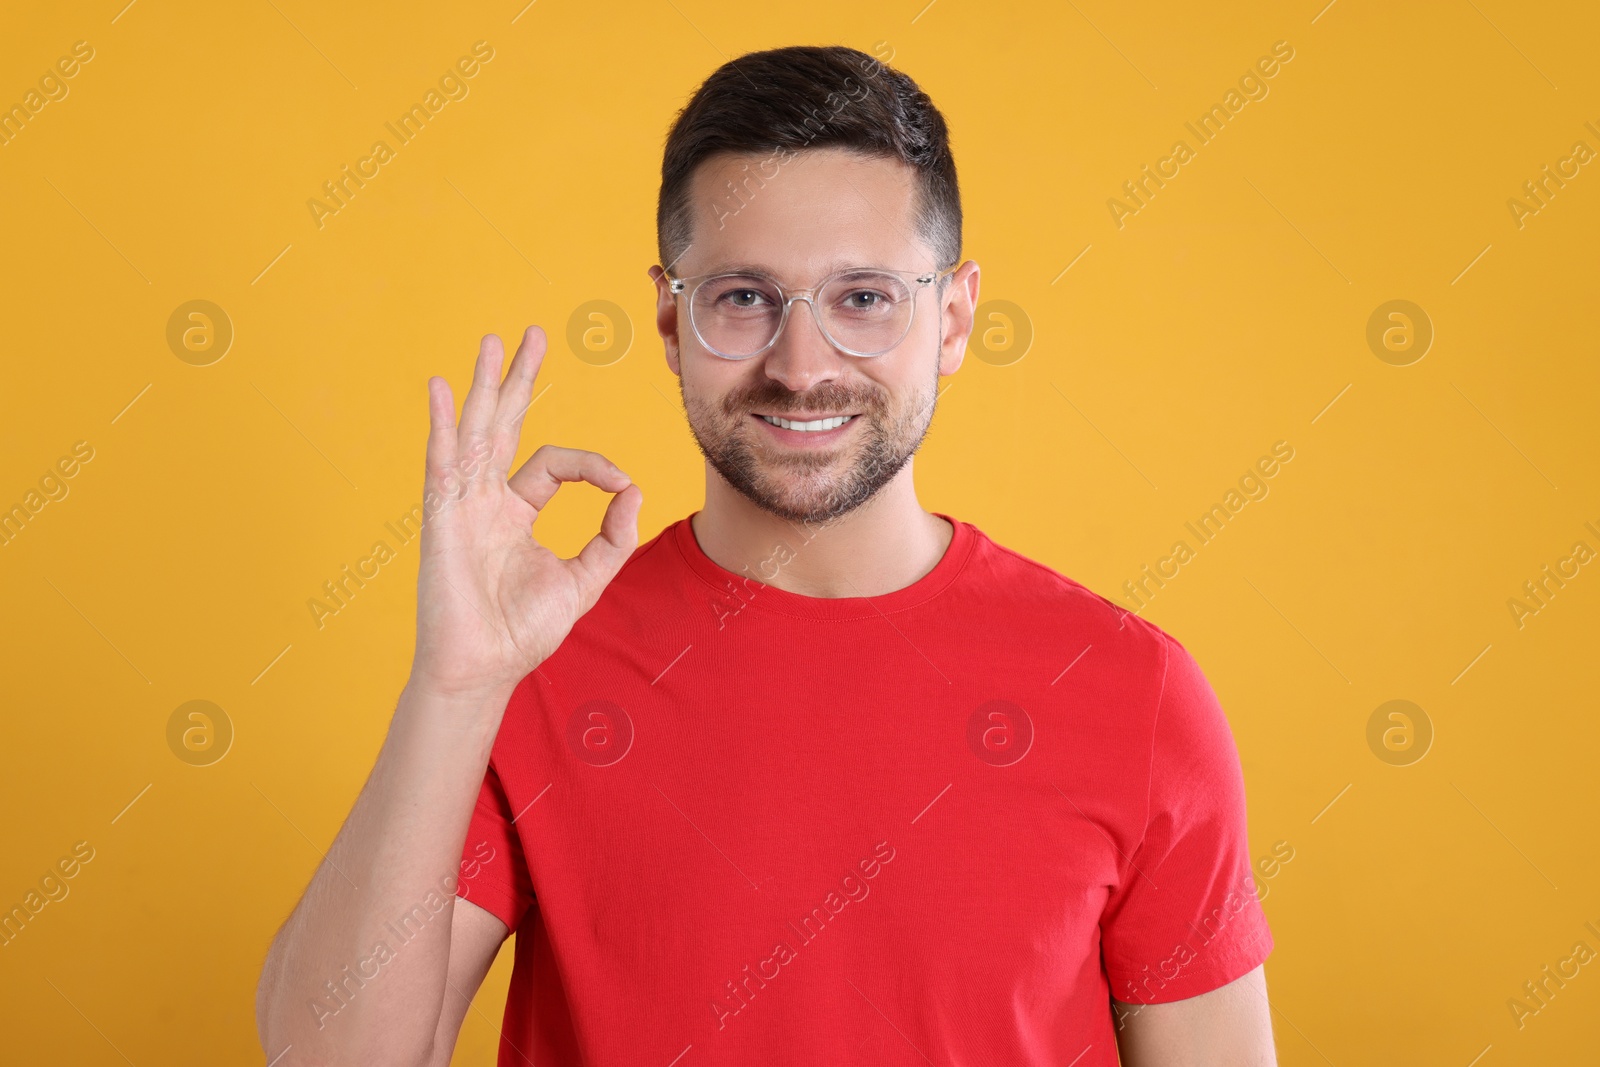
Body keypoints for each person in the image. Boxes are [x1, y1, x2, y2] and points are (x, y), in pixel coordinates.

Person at [254, 43, 1276, 1067]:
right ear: (669, 316)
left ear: (954, 318)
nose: (800, 366)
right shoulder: (536, 664)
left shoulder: (1130, 691)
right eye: (743, 296)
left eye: (863, 298)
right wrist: (453, 682)